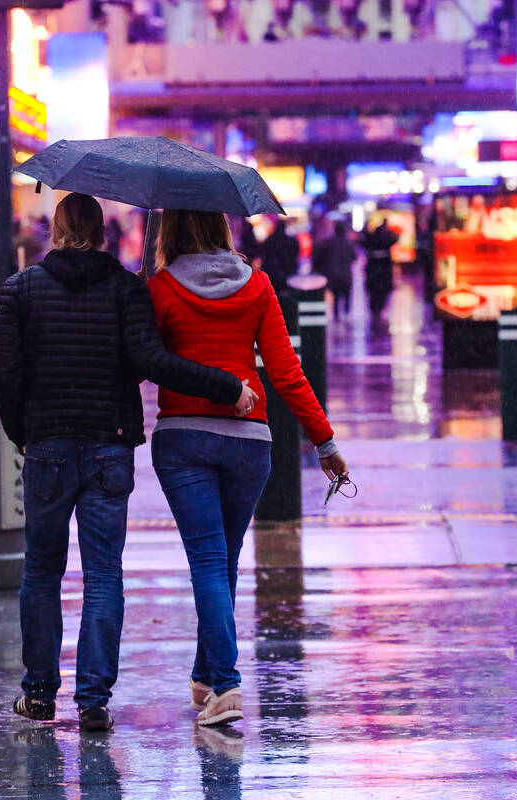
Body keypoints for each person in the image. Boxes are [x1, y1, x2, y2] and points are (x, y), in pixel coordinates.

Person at [0, 193, 259, 733]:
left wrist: (23, 432)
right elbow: (153, 363)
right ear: (102, 234)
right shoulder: (125, 289)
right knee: (103, 574)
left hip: (45, 447)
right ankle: (93, 700)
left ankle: (39, 694)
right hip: (109, 447)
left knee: (41, 570)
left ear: (54, 230)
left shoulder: (20, 290)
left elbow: (5, 371)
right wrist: (227, 385)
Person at [147, 209, 348, 727]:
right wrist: (324, 442)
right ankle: (206, 673)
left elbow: (146, 362)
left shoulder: (163, 289)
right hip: (249, 443)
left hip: (184, 439)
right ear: (222, 228)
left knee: (210, 561)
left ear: (171, 231)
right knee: (223, 560)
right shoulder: (257, 286)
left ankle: (228, 685)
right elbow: (285, 371)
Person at [311, 220, 357, 317]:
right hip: (346, 274)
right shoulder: (348, 243)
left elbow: (321, 256)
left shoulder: (329, 242)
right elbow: (354, 256)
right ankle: (346, 312)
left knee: (336, 295)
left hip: (333, 274)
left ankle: (336, 314)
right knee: (346, 294)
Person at [362, 218, 397, 322]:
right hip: (380, 272)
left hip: (377, 272)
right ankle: (377, 309)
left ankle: (376, 309)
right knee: (379, 292)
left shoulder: (373, 239)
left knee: (377, 292)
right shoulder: (384, 239)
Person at [259, 218, 298, 298]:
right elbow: (296, 252)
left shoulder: (269, 239)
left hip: (271, 273)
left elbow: (263, 253)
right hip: (286, 272)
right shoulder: (291, 240)